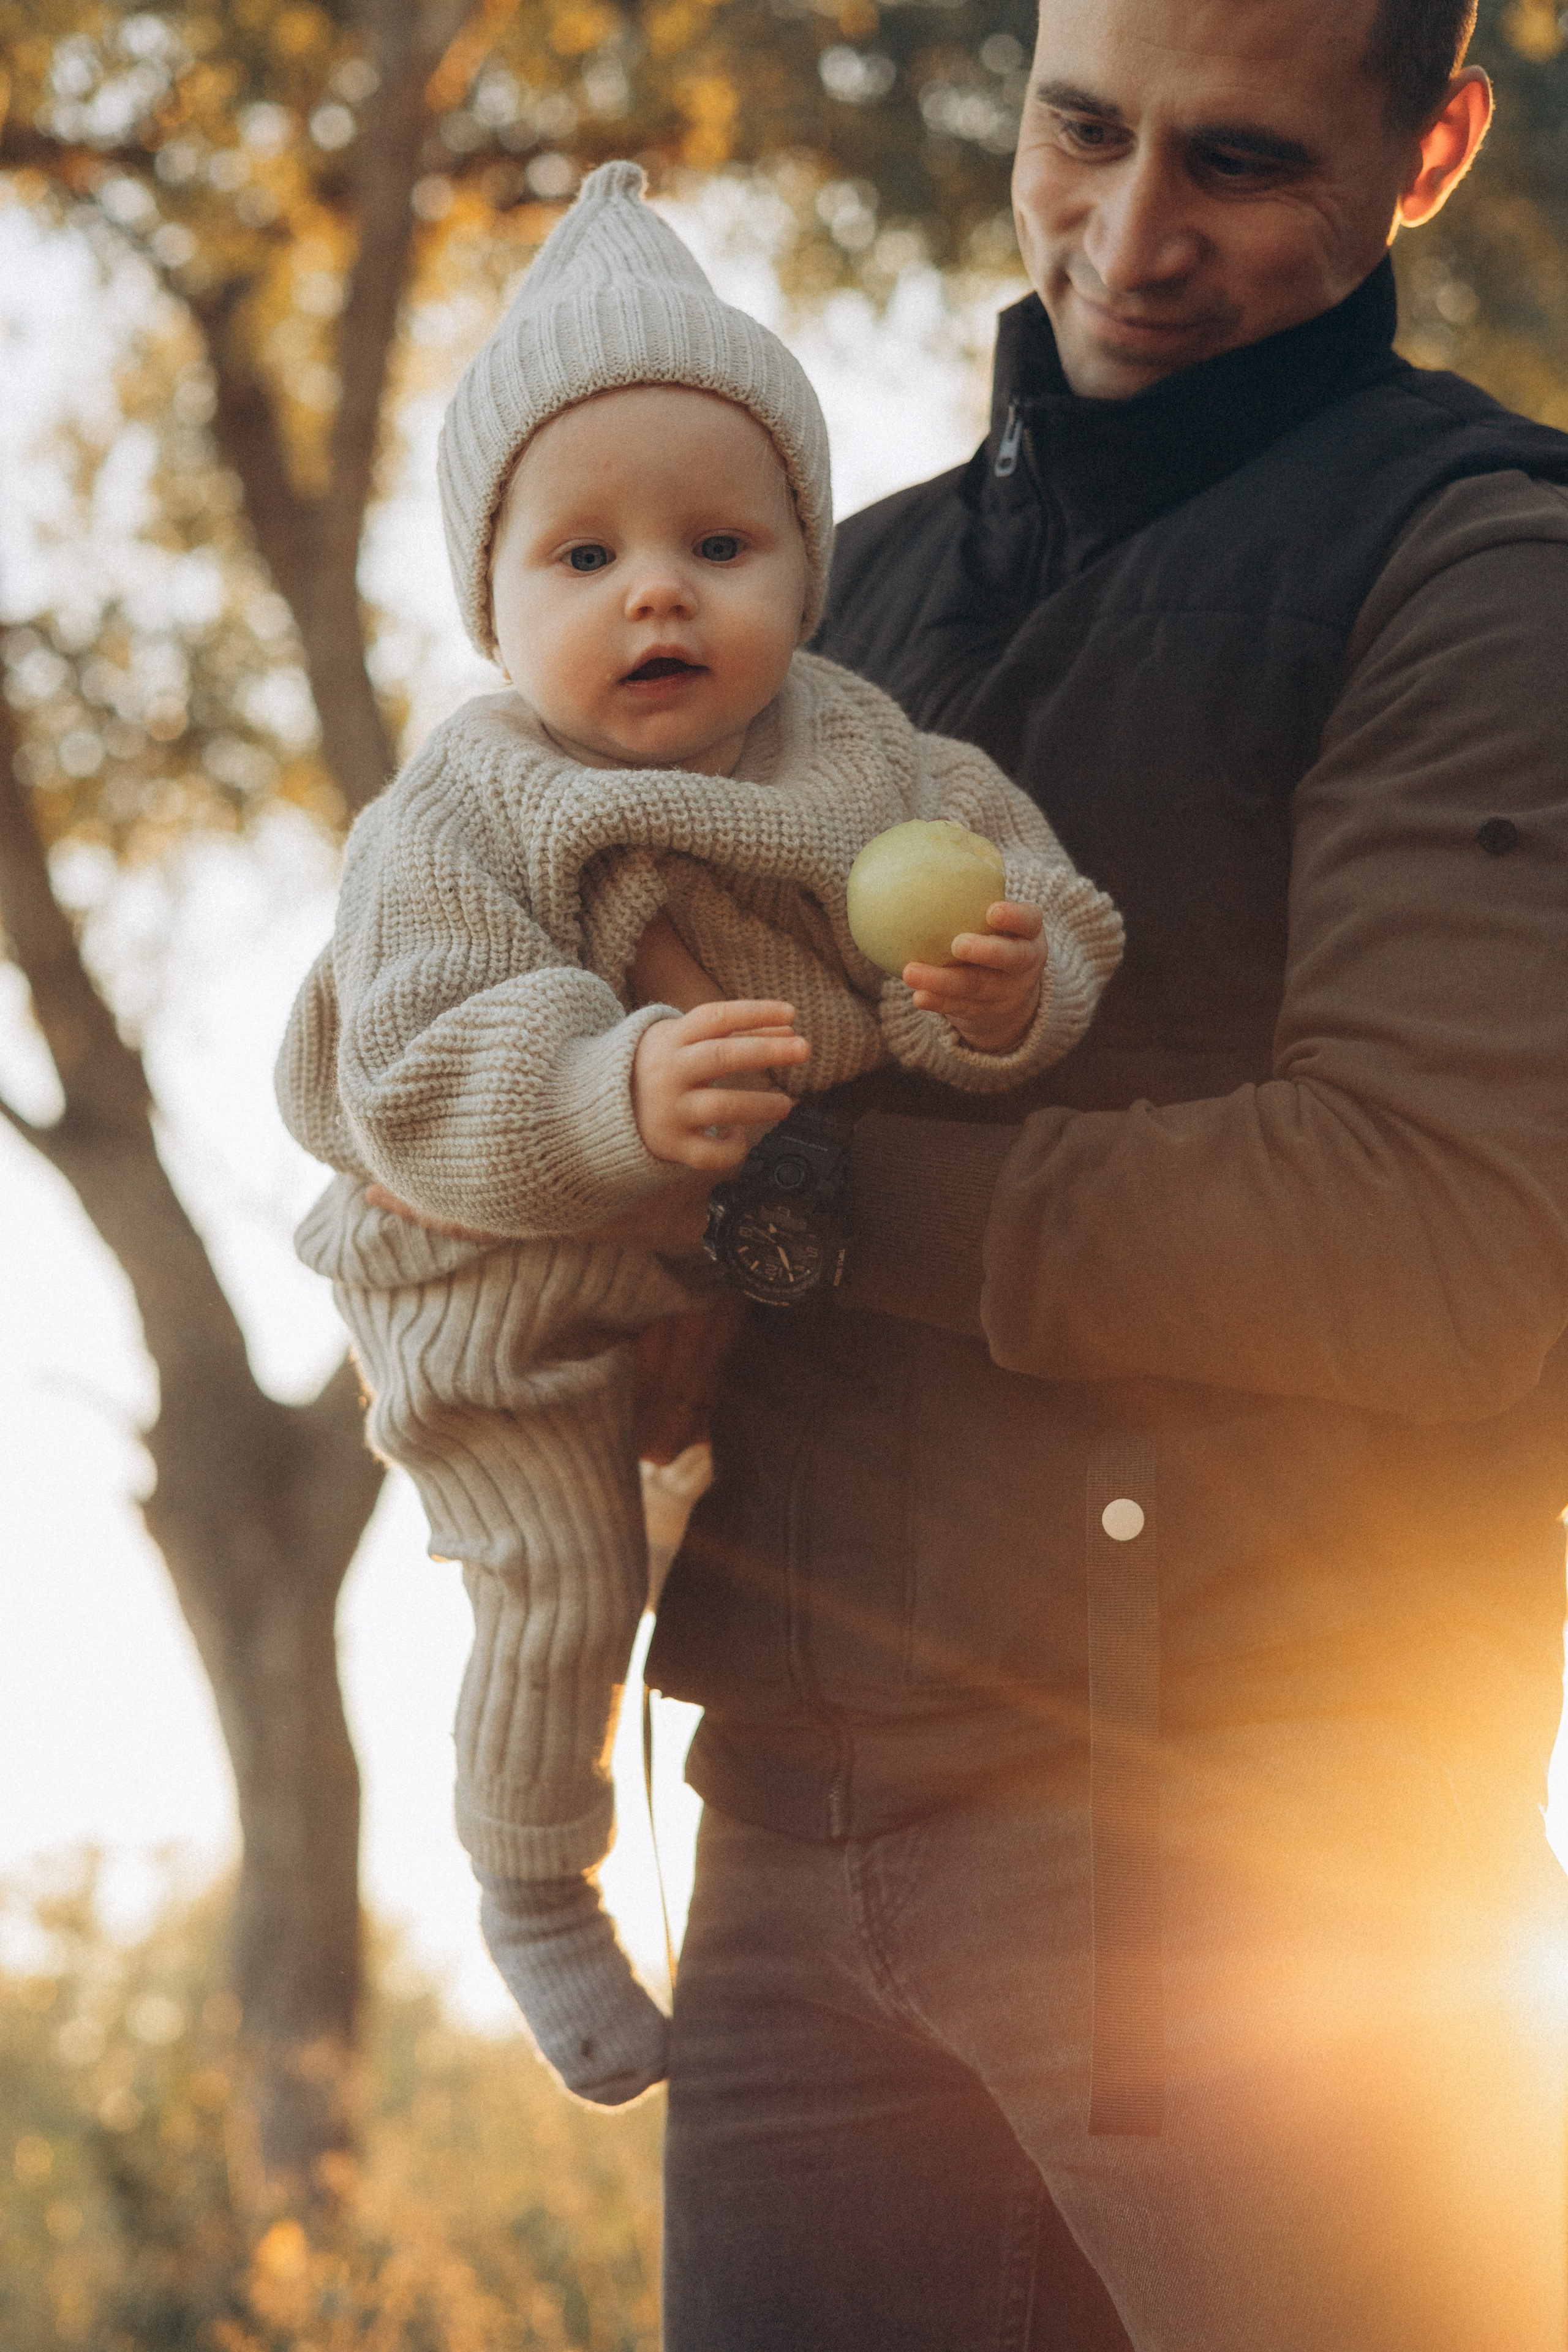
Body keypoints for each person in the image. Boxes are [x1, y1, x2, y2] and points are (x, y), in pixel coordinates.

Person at [638, 0, 1568, 2345]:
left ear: (1434, 147)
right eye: (1082, 130)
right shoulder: (831, 601)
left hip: (1252, 1840)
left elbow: (1437, 1235)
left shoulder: (1494, 567)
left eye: (1240, 166)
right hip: (786, 1839)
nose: (1130, 241)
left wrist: (797, 1199)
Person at [274, 164, 1122, 2109]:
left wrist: (1004, 991)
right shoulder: (467, 807)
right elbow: (416, 1056)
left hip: (735, 1262)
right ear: (493, 609)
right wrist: (609, 1092)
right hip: (493, 1264)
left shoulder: (874, 757)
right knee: (562, 1576)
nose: (656, 590)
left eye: (718, 542)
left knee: (712, 1546)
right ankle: (534, 1882)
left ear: (806, 573)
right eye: (582, 556)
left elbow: (1048, 897)